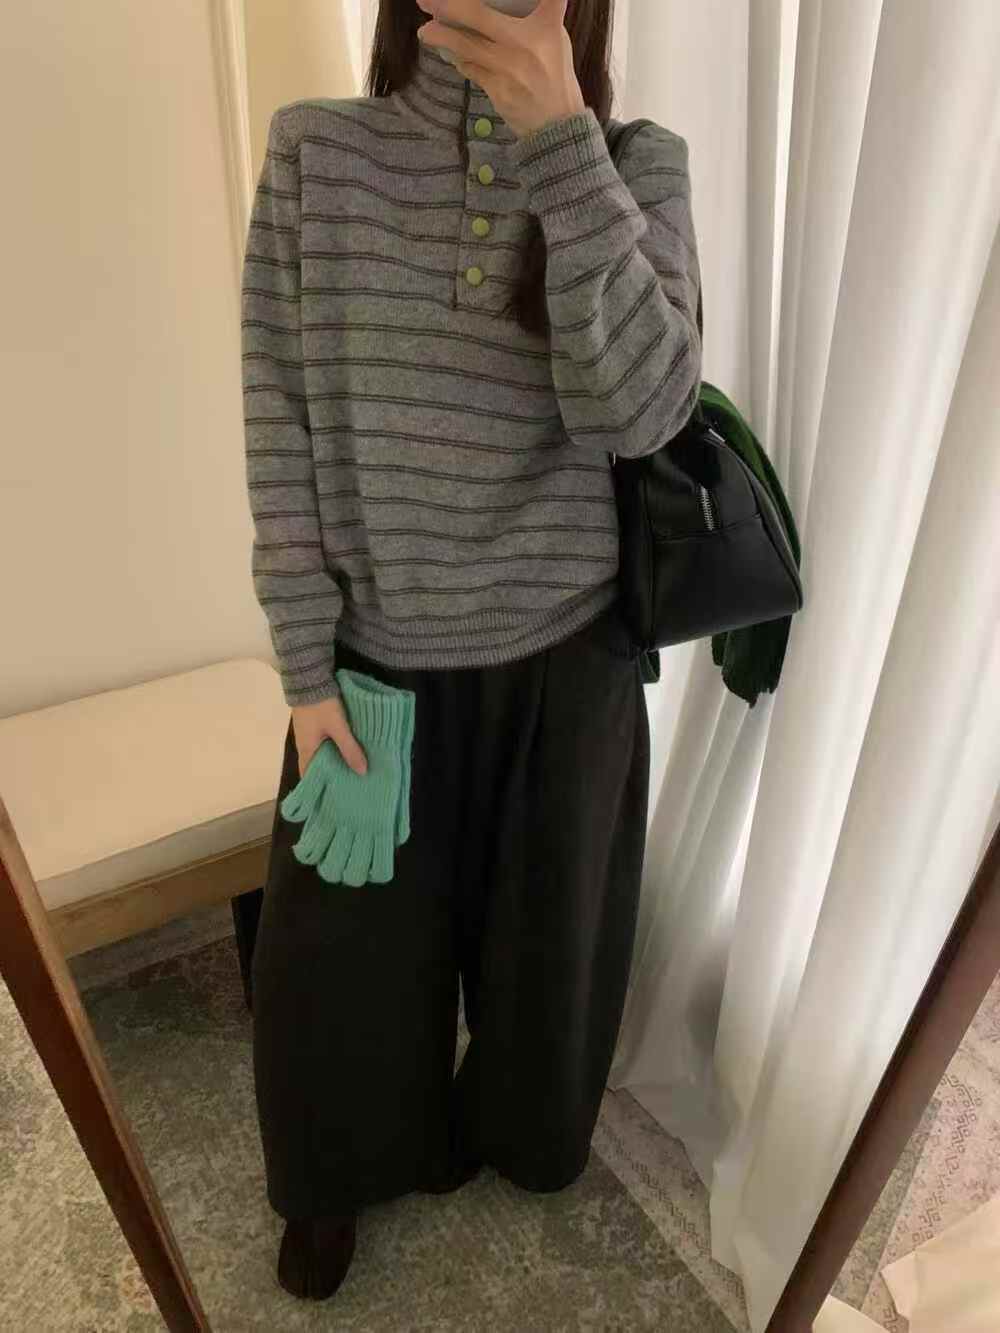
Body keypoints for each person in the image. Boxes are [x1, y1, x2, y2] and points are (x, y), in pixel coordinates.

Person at [240, 0, 701, 1301]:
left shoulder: (637, 163)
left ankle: (513, 1132)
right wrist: (303, 661)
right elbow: (277, 416)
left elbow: (643, 416)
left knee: (546, 974)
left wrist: (564, 148)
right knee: (336, 976)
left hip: (568, 668)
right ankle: (335, 1176)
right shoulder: (318, 153)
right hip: (376, 662)